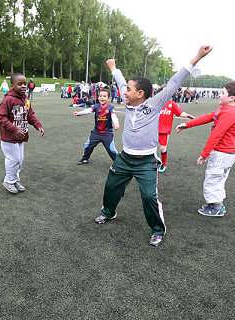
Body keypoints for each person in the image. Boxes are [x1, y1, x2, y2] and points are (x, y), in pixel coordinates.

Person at [94, 45, 212, 248]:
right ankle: (108, 212)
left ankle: (157, 230)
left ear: (140, 93)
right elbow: (121, 82)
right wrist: (114, 69)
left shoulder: (155, 103)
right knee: (111, 187)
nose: (124, 92)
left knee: (149, 196)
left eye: (129, 90)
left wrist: (197, 57)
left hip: (146, 162)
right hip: (124, 159)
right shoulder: (127, 100)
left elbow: (175, 81)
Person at [176, 80, 235, 217]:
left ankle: (217, 207)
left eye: (222, 93)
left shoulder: (229, 112)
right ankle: (215, 204)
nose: (220, 95)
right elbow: (209, 117)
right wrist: (188, 124)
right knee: (218, 178)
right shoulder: (226, 109)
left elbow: (217, 135)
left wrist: (205, 154)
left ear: (231, 98)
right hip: (227, 151)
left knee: (213, 178)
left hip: (223, 152)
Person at [0, 73, 44, 194]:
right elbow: (1, 117)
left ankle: (15, 179)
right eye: (19, 84)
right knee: (14, 159)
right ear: (12, 85)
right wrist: (14, 129)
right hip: (9, 137)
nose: (23, 86)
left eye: (24, 84)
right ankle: (8, 180)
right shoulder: (8, 99)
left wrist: (38, 125)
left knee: (20, 160)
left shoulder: (26, 99)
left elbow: (30, 115)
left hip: (21, 136)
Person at [73, 88, 120, 164]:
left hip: (107, 133)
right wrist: (80, 113)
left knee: (111, 149)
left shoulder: (111, 108)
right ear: (98, 97)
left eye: (104, 96)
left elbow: (113, 115)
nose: (102, 97)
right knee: (88, 145)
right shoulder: (96, 106)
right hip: (96, 132)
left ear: (108, 98)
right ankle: (85, 159)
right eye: (100, 96)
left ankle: (117, 161)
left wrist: (116, 123)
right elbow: (89, 110)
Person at [156, 84, 195, 173]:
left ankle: (163, 164)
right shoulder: (156, 102)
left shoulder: (172, 104)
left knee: (162, 148)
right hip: (153, 130)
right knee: (152, 149)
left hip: (164, 131)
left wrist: (188, 116)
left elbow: (180, 113)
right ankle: (155, 162)